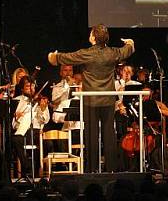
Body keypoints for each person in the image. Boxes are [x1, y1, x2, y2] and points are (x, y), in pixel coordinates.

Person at [47, 24, 135, 172]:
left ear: (93, 37)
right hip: (107, 101)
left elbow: (66, 57)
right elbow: (127, 50)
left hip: (90, 100)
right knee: (109, 135)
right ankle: (111, 169)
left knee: (91, 136)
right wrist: (130, 42)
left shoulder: (86, 53)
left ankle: (92, 169)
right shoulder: (112, 52)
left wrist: (53, 57)